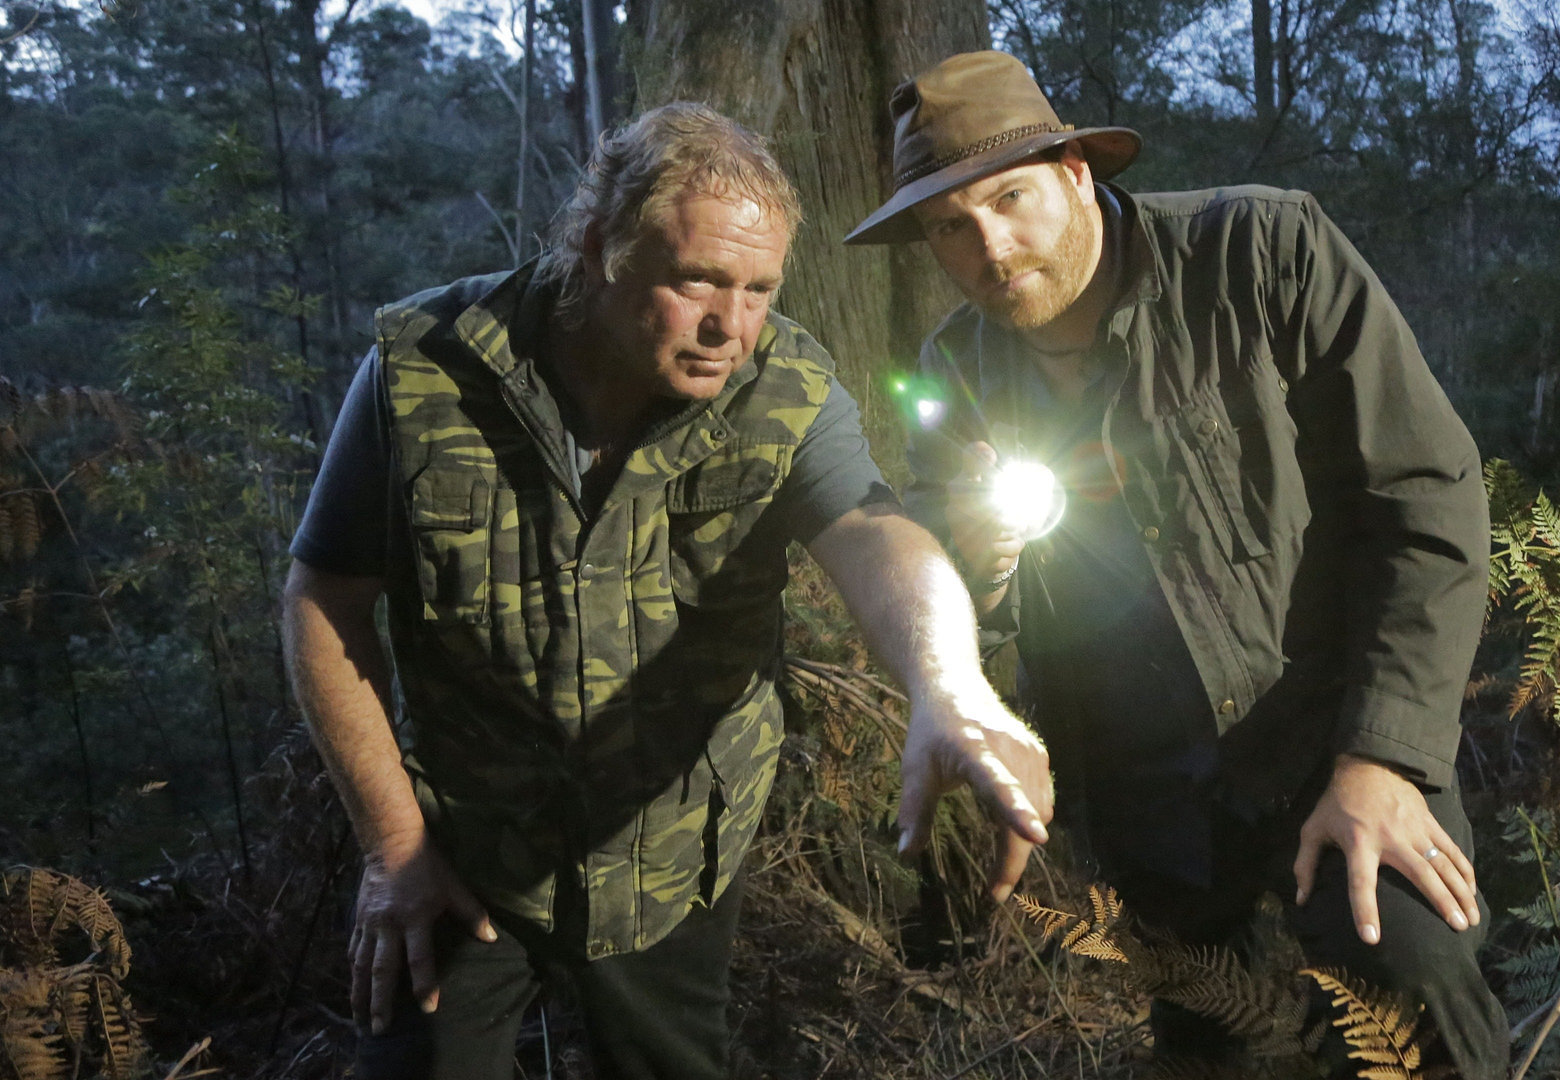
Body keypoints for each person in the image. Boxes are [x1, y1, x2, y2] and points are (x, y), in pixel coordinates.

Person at [282, 102, 1051, 1080]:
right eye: (698, 282)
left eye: (760, 290)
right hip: (465, 854)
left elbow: (875, 534)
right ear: (602, 246)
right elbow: (322, 602)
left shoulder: (787, 391)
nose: (730, 324)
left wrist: (950, 685)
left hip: (674, 859)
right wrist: (392, 846)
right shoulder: (423, 371)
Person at [846, 51, 1508, 1078]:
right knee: (1224, 1048)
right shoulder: (953, 373)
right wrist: (978, 568)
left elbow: (1425, 494)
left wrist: (1385, 757)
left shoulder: (1260, 251)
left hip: (1330, 735)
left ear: (1074, 171)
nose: (989, 246)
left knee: (1415, 987)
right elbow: (959, 609)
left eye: (1010, 198)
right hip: (1145, 792)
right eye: (949, 227)